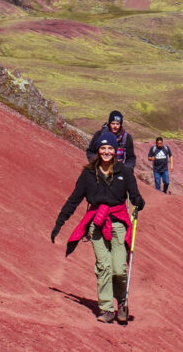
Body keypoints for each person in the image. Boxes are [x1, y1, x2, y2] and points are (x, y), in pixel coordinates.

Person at [53, 131, 145, 323]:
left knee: (118, 268)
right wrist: (60, 222)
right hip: (96, 224)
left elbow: (135, 195)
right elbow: (74, 200)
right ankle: (106, 309)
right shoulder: (88, 174)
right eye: (102, 148)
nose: (106, 151)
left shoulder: (124, 172)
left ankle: (121, 302)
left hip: (118, 223)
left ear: (115, 151)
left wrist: (138, 201)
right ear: (98, 150)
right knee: (104, 266)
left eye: (110, 148)